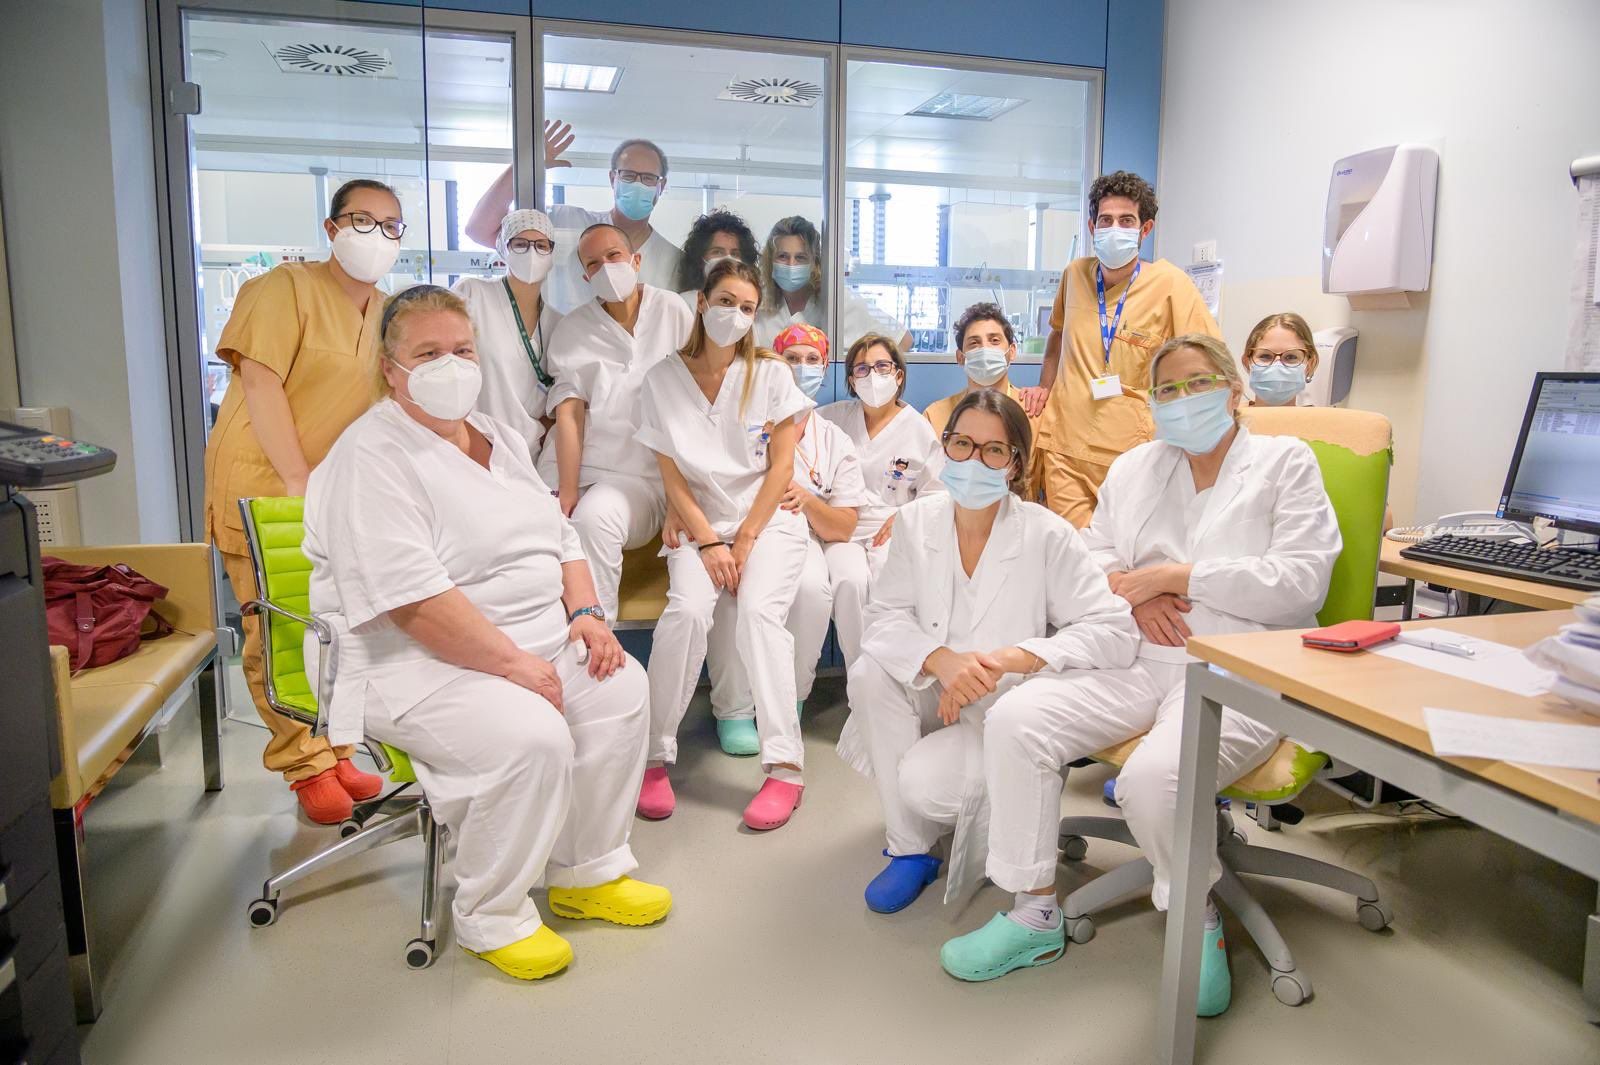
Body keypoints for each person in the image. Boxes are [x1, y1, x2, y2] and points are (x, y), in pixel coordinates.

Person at [958, 333, 1339, 1011]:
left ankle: (1196, 914)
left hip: (1235, 663)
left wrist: (1177, 577)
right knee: (1016, 718)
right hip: (1136, 653)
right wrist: (1138, 595)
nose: (1183, 399)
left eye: (1199, 383)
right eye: (1167, 390)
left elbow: (1301, 581)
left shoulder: (1286, 462)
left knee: (1152, 780)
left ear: (1234, 389)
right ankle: (1034, 911)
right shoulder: (1135, 467)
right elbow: (1093, 558)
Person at [302, 285, 671, 982]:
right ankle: (492, 914)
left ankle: (587, 872)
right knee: (531, 736)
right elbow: (414, 603)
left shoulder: (496, 434)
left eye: (463, 350)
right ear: (389, 369)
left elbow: (561, 535)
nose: (451, 365)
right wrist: (513, 666)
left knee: (620, 689)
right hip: (410, 661)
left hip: (532, 640)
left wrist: (586, 615)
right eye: (428, 353)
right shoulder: (371, 456)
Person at [844, 389, 1138, 925]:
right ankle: (909, 848)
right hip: (937, 688)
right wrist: (940, 660)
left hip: (1001, 709)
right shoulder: (916, 522)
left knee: (921, 786)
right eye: (962, 444)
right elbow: (884, 616)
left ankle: (986, 818)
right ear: (945, 447)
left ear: (1016, 464)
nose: (974, 461)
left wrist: (1016, 657)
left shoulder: (1047, 534)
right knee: (868, 675)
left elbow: (1114, 631)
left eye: (994, 450)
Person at [202, 177, 402, 825]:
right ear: (332, 228)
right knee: (280, 626)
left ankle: (337, 747)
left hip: (331, 495)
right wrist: (296, 478)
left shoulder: (389, 313)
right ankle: (304, 762)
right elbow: (260, 383)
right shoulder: (282, 288)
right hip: (265, 481)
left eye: (391, 225)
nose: (377, 235)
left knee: (336, 625)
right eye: (363, 220)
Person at [634, 260, 815, 830]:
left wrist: (748, 538)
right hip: (699, 525)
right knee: (687, 611)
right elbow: (672, 477)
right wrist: (712, 542)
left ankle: (785, 769)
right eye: (726, 301)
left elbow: (781, 467)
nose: (735, 315)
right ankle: (652, 758)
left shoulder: (771, 375)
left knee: (760, 615)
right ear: (701, 302)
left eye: (747, 308)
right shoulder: (662, 379)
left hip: (768, 522)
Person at [1015, 171, 1220, 528]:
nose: (1114, 229)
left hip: (1132, 452)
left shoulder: (1170, 285)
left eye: (1126, 221)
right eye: (1106, 220)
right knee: (1074, 549)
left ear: (1145, 228)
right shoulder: (1075, 275)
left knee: (1127, 548)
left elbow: (1208, 358)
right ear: (1092, 227)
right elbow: (1057, 335)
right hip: (1066, 445)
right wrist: (1045, 386)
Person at [701, 323, 869, 756]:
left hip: (799, 536)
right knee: (732, 592)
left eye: (812, 359)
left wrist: (807, 501)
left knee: (811, 590)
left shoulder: (833, 439)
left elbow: (844, 526)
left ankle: (789, 699)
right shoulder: (742, 419)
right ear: (773, 364)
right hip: (738, 530)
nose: (801, 367)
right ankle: (735, 710)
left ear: (826, 367)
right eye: (791, 358)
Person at [543, 222, 694, 623]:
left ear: (636, 260)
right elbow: (569, 415)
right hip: (577, 466)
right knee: (534, 526)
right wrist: (567, 489)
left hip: (642, 478)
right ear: (585, 277)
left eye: (614, 256)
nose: (606, 268)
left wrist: (680, 499)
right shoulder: (573, 329)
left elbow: (691, 407)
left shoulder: (672, 311)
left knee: (595, 518)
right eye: (593, 263)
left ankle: (597, 636)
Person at [464, 124, 683, 314]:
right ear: (612, 179)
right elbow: (479, 229)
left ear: (661, 186)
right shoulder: (564, 224)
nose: (637, 185)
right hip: (554, 349)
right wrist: (525, 166)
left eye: (648, 178)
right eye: (628, 176)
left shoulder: (675, 262)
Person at [817, 334, 945, 570]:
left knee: (888, 576)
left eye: (882, 366)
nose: (872, 375)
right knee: (847, 578)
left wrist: (904, 518)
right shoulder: (833, 418)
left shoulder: (919, 429)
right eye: (862, 369)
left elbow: (936, 493)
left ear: (899, 376)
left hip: (891, 527)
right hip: (842, 524)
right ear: (852, 381)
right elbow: (799, 429)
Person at [451, 209, 564, 467]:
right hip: (474, 445)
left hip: (532, 454)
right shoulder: (472, 294)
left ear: (552, 253)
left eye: (541, 245)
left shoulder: (559, 323)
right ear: (503, 248)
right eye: (520, 244)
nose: (532, 253)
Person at [923, 302, 1043, 499]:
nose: (985, 349)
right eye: (974, 343)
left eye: (994, 340)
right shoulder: (934, 416)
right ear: (960, 357)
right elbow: (926, 488)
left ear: (1012, 351)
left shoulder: (1034, 413)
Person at [752, 216, 913, 352]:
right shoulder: (758, 304)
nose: (791, 265)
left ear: (815, 262)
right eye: (782, 256)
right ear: (770, 260)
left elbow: (903, 339)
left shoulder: (840, 301)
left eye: (801, 257)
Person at [674, 208, 761, 306]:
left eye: (735, 254)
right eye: (718, 252)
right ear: (700, 259)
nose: (727, 259)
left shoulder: (751, 304)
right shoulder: (684, 304)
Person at [1241, 311, 1319, 406]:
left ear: (1310, 365)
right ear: (1247, 363)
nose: (1277, 366)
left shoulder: (1324, 416)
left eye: (1291, 357)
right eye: (1265, 356)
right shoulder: (1230, 414)